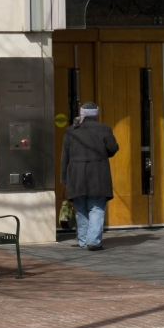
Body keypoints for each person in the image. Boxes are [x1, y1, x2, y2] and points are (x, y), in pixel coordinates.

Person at [60, 102, 119, 251]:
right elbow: (112, 148)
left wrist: (64, 178)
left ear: (82, 113)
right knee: (96, 207)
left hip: (76, 173)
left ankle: (83, 240)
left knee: (80, 208)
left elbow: (65, 156)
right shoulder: (104, 129)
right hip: (98, 172)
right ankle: (93, 241)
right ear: (96, 114)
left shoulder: (71, 130)